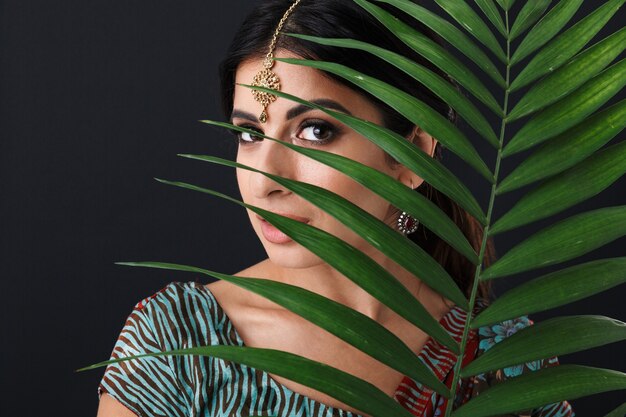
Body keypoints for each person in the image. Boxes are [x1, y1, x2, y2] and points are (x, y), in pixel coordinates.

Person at [96, 1, 575, 416]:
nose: (265, 179)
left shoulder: (503, 359)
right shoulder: (182, 343)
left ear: (409, 156)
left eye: (315, 131)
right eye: (250, 134)